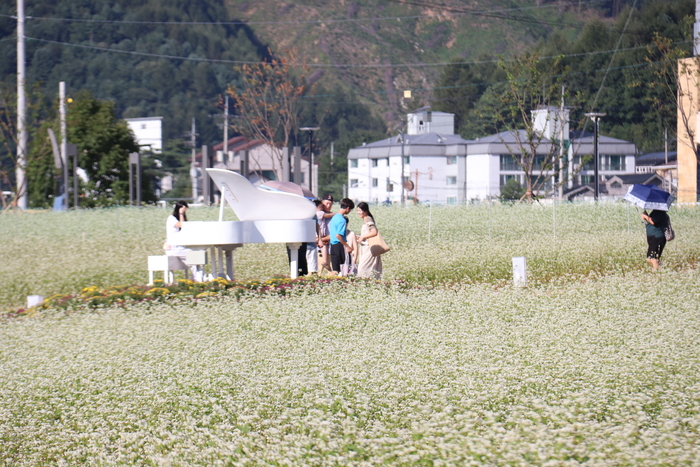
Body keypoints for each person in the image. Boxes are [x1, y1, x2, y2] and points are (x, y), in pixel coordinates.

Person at [164, 200, 203, 281]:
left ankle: (197, 278)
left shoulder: (179, 218)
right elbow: (182, 225)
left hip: (180, 247)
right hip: (174, 248)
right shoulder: (171, 218)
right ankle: (198, 279)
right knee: (195, 258)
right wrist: (181, 213)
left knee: (196, 260)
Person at [356, 201, 383, 279]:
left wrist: (362, 237)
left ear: (366, 211)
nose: (358, 212)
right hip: (365, 247)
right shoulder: (366, 219)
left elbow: (374, 232)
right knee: (366, 269)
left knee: (362, 269)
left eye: (360, 210)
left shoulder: (368, 219)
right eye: (358, 210)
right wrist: (360, 236)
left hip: (369, 248)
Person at [328, 198, 355, 275]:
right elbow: (338, 235)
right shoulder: (342, 220)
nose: (349, 211)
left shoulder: (334, 217)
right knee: (343, 269)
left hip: (332, 245)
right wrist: (347, 246)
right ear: (348, 208)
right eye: (350, 210)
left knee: (335, 269)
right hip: (339, 246)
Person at [316, 195, 335, 274]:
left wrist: (321, 239)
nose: (329, 206)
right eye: (327, 203)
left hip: (330, 250)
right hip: (317, 251)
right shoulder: (316, 214)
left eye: (330, 204)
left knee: (331, 274)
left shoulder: (333, 217)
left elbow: (334, 234)